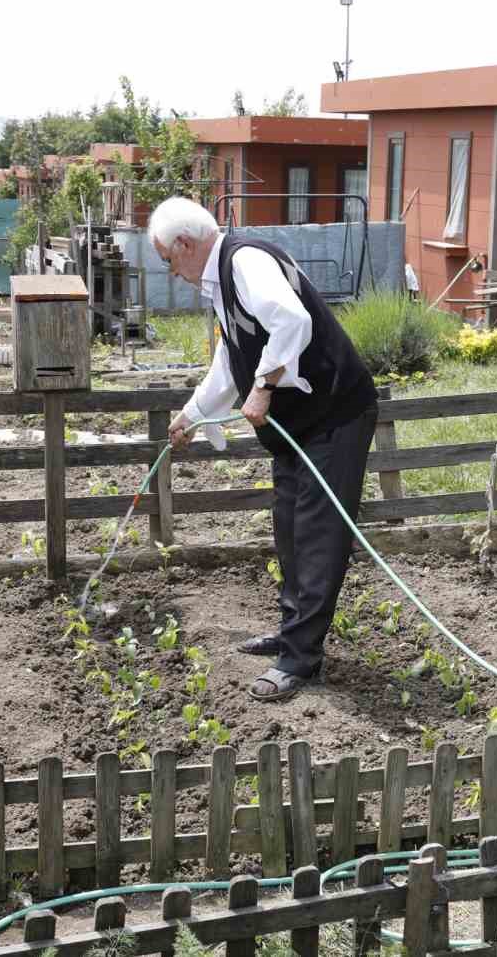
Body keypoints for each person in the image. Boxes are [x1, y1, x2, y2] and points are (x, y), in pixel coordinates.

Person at [151, 196, 377, 702]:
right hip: (298, 428)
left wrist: (264, 386)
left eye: (168, 259)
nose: (172, 271)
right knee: (290, 530)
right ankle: (293, 631)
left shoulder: (244, 260)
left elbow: (292, 322)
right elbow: (230, 361)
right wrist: (191, 415)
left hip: (334, 415)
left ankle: (301, 659)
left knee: (318, 535)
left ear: (184, 245)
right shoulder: (223, 282)